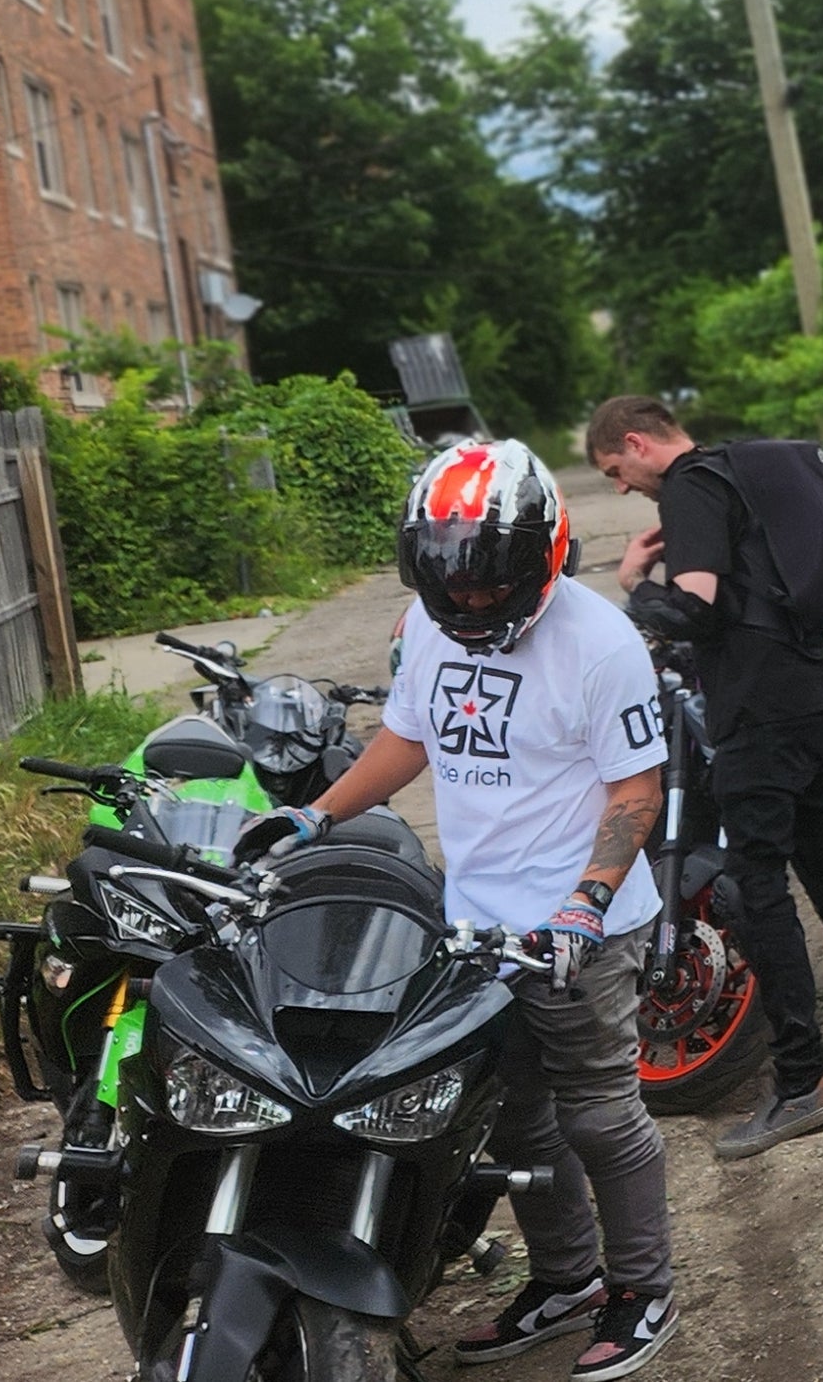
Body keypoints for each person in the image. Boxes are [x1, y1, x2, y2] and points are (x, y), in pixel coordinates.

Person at [241, 440, 679, 1378]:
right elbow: (408, 740)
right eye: (453, 583)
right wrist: (313, 818)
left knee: (599, 1112)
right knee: (512, 1122)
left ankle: (644, 1289)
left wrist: (583, 906)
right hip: (474, 926)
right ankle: (567, 1282)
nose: (472, 601)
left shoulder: (601, 646)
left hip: (579, 930)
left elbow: (637, 793)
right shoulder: (428, 629)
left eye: (491, 585)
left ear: (541, 558)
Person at [585, 393, 823, 1161]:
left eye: (616, 471)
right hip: (813, 684)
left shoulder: (690, 487)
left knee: (759, 888)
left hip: (756, 707)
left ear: (635, 444)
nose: (622, 487)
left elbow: (696, 610)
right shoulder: (737, 473)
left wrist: (632, 582)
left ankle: (800, 1082)